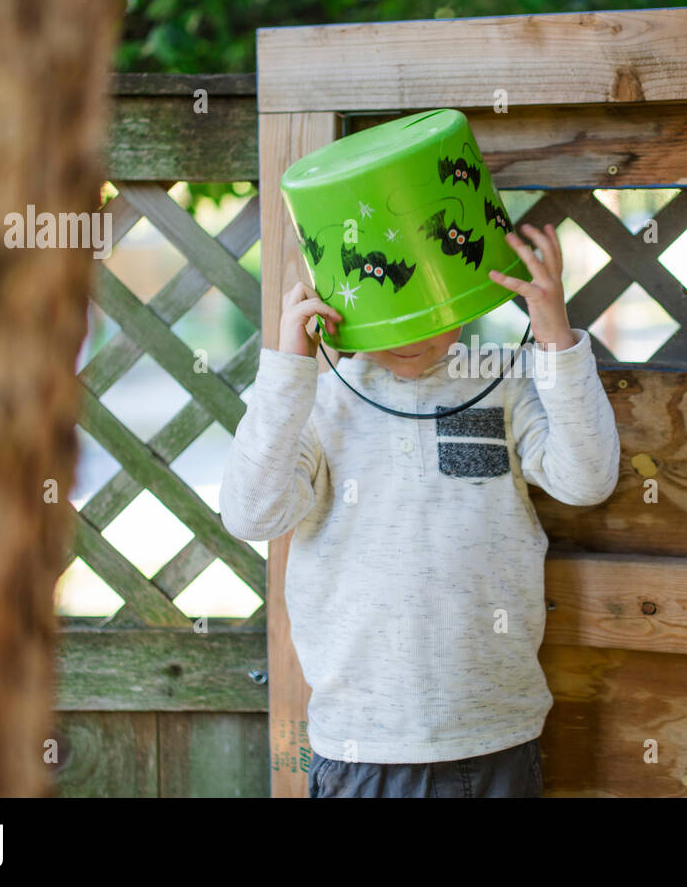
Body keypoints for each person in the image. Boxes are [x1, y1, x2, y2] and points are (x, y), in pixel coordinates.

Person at [219, 222, 620, 797]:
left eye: (430, 305)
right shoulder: (315, 399)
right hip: (363, 746)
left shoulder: (499, 379)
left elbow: (585, 480)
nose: (412, 332)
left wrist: (554, 334)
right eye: (393, 305)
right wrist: (289, 370)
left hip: (494, 735)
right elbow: (250, 515)